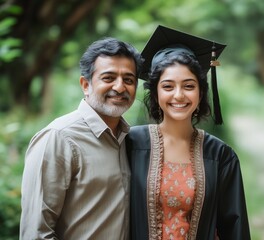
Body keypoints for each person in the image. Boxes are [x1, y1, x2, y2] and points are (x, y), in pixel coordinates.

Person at [126, 25, 250, 239]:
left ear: (201, 92)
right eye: (167, 86)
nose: (179, 95)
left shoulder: (220, 156)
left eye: (189, 86)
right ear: (155, 93)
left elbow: (234, 229)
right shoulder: (130, 143)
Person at [20, 37, 143, 239]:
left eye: (128, 80)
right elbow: (36, 233)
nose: (120, 87)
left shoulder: (128, 139)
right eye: (108, 78)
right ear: (86, 84)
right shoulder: (58, 138)